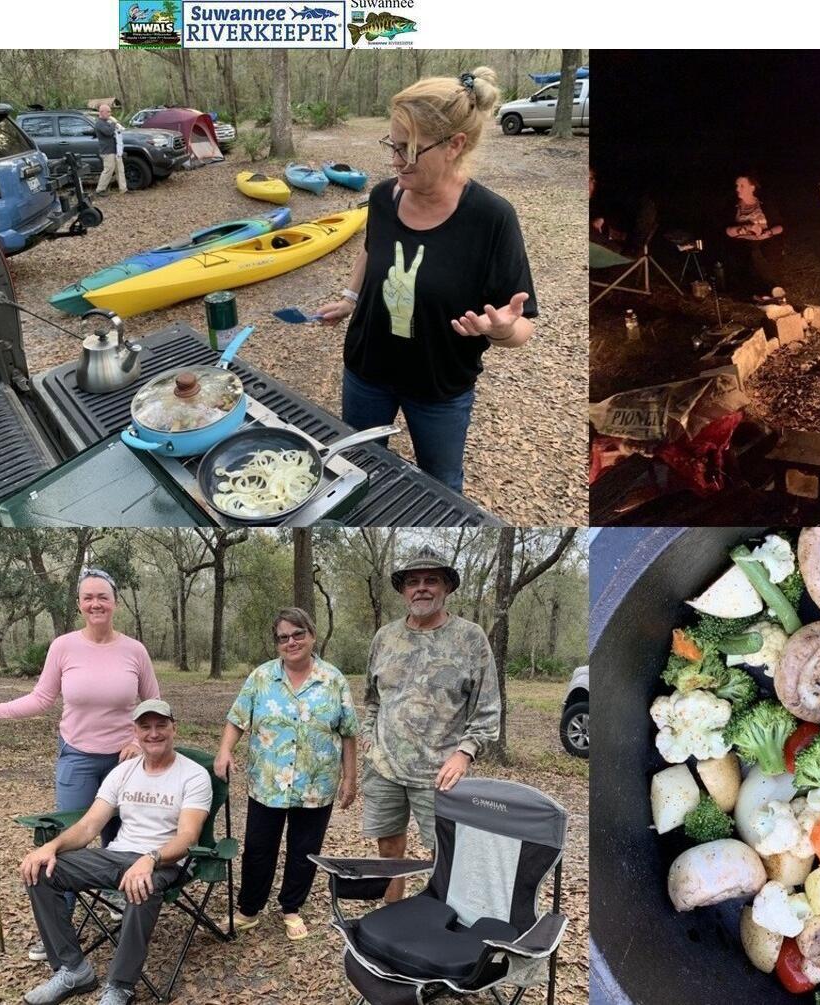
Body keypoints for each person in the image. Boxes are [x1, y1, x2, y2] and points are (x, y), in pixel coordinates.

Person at [316, 67, 538, 495]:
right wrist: (350, 297)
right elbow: (371, 247)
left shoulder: (492, 218)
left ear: (455, 145)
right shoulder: (383, 196)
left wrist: (505, 330)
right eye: (392, 147)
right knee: (353, 470)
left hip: (439, 389)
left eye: (409, 150)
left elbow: (522, 323)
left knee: (441, 485)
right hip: (367, 371)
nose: (396, 161)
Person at [0, 567, 160, 959]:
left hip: (126, 763)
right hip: (77, 757)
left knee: (122, 838)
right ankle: (59, 926)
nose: (95, 603)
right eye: (88, 597)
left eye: (102, 596)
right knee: (70, 843)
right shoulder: (64, 647)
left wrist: (138, 743)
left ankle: (122, 903)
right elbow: (41, 698)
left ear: (115, 602)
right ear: (78, 604)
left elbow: (154, 705)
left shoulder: (135, 651)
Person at [18, 699, 211, 1005]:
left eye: (161, 725)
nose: (154, 733)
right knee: (41, 872)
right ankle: (73, 970)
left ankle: (120, 985)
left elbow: (188, 837)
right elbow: (89, 826)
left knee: (141, 886)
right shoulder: (122, 773)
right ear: (135, 732)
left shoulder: (194, 775)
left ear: (175, 728)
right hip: (118, 855)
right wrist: (50, 847)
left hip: (164, 860)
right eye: (145, 727)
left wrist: (151, 859)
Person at [361, 547, 501, 902]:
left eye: (431, 580)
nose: (421, 588)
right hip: (385, 767)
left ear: (446, 588)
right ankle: (392, 913)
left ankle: (442, 919)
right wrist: (368, 739)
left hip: (439, 773)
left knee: (445, 853)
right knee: (389, 849)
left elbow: (486, 711)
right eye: (413, 582)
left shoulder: (470, 639)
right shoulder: (385, 637)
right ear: (403, 590)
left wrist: (464, 754)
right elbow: (372, 699)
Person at [213, 608, 359, 941]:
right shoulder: (261, 677)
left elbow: (348, 731)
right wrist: (224, 751)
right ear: (277, 643)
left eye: (298, 634)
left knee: (304, 848)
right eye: (283, 637)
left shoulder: (333, 679)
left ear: (312, 635)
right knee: (258, 848)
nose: (291, 642)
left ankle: (291, 908)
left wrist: (350, 778)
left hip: (315, 783)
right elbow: (237, 719)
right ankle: (249, 910)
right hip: (268, 783)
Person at [721, 172, 786, 297]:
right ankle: (773, 288)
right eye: (736, 186)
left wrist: (770, 232)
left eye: (741, 186)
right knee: (751, 251)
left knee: (760, 251)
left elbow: (781, 227)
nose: (737, 189)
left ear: (752, 187)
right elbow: (727, 231)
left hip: (764, 239)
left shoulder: (764, 204)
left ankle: (766, 290)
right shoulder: (732, 207)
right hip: (742, 242)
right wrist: (745, 228)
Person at [93, 103, 128, 195]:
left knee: (120, 170)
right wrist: (114, 123)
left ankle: (123, 189)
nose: (110, 113)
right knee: (108, 170)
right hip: (107, 151)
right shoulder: (99, 123)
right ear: (101, 112)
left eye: (110, 111)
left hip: (116, 150)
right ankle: (100, 190)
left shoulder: (107, 122)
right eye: (108, 112)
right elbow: (108, 132)